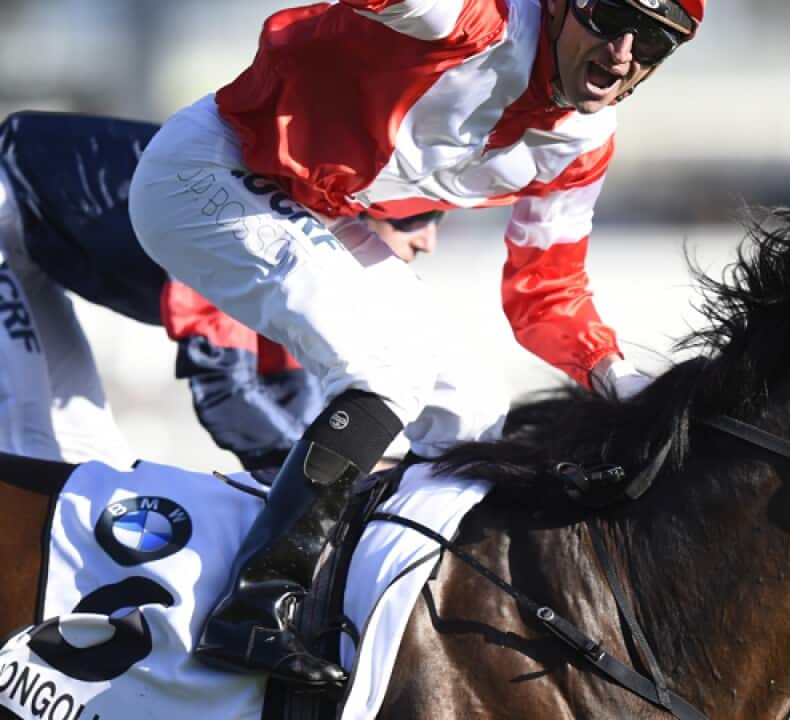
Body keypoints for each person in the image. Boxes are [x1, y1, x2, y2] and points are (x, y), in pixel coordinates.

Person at [129, 0, 701, 689]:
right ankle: (253, 608)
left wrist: (623, 382)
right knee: (386, 370)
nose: (623, 52)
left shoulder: (585, 142)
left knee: (476, 412)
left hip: (313, 206)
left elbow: (546, 290)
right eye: (609, 16)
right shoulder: (462, 19)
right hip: (207, 174)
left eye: (658, 42)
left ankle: (380, 607)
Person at [0, 110, 439, 470]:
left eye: (439, 220)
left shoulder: (308, 260)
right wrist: (326, 483)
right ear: (359, 216)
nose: (428, 240)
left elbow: (292, 394)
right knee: (36, 444)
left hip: (28, 235)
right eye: (415, 217)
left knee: (88, 458)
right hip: (8, 204)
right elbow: (223, 389)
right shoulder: (252, 231)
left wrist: (339, 467)